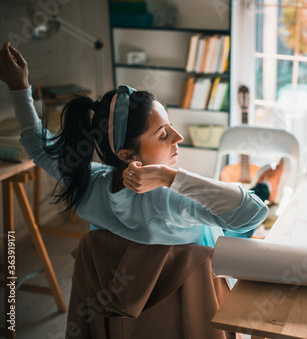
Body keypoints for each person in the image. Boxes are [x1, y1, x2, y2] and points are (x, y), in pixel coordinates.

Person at [0, 41, 269, 247]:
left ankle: (260, 186)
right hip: (199, 298)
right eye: (163, 134)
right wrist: (169, 177)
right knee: (244, 218)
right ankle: (262, 186)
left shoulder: (86, 181)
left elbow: (36, 144)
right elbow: (254, 213)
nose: (179, 137)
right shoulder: (169, 200)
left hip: (133, 311)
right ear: (127, 154)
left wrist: (18, 86)